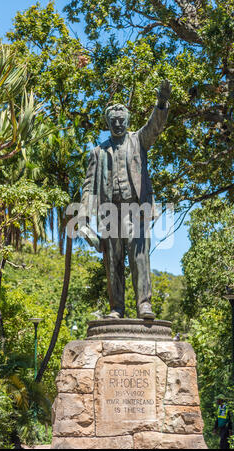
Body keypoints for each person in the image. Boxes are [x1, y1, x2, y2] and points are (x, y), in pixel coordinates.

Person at [78, 80, 171, 320]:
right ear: (107, 123)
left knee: (140, 256)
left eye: (122, 120)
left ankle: (144, 305)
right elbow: (88, 187)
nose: (118, 124)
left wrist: (161, 104)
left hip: (135, 209)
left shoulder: (138, 141)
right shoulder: (98, 153)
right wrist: (83, 220)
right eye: (113, 121)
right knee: (113, 262)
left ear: (127, 121)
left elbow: (154, 126)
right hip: (109, 211)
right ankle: (116, 308)